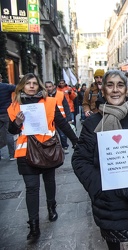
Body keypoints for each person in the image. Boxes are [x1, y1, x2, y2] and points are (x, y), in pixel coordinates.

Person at [72, 70, 128, 250]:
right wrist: (100, 187)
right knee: (114, 246)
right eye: (110, 85)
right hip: (110, 204)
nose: (115, 90)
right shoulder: (92, 123)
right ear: (103, 90)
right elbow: (80, 159)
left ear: (127, 90)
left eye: (120, 85)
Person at [7, 73, 78, 240]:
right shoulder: (15, 106)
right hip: (25, 153)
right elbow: (11, 131)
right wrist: (17, 122)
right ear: (22, 86)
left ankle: (51, 207)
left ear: (39, 86)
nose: (31, 86)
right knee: (32, 188)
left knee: (49, 181)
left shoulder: (49, 102)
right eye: (28, 83)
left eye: (35, 83)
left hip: (48, 149)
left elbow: (61, 123)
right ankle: (33, 226)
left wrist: (76, 141)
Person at [45, 81, 73, 154]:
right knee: (51, 135)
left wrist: (69, 118)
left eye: (50, 86)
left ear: (53, 86)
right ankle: (52, 149)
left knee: (62, 134)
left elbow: (66, 106)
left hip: (60, 118)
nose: (48, 88)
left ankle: (65, 146)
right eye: (46, 87)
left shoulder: (60, 94)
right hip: (49, 119)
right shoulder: (43, 96)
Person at [0, 73, 16, 161]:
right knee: (9, 133)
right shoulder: (6, 87)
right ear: (1, 78)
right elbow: (18, 88)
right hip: (6, 113)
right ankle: (12, 155)